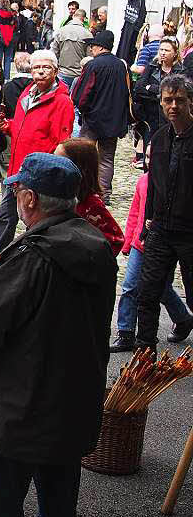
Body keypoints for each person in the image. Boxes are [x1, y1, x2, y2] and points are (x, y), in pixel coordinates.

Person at [0, 153, 117, 517]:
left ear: (31, 199)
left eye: (19, 189)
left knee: (0, 513)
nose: (16, 195)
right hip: (69, 408)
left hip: (19, 411)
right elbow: (50, 308)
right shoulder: (95, 246)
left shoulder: (35, 256)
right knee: (58, 512)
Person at [0, 50, 74, 255]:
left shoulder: (62, 102)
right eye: (37, 67)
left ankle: (33, 256)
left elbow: (62, 143)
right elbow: (22, 126)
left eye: (46, 67)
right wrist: (7, 126)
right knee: (7, 215)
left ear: (55, 71)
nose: (41, 72)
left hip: (37, 173)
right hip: (16, 168)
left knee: (34, 219)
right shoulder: (27, 93)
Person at [111, 145, 193, 352]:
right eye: (146, 156)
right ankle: (126, 332)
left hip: (165, 242)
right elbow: (134, 214)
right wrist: (128, 241)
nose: (149, 161)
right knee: (130, 286)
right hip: (141, 244)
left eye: (152, 156)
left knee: (161, 288)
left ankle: (183, 319)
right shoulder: (143, 181)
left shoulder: (175, 181)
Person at [135, 75, 193, 350]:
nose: (173, 106)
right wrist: (147, 225)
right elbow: (153, 185)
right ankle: (145, 354)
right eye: (168, 100)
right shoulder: (159, 139)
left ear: (189, 102)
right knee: (147, 293)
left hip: (189, 231)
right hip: (160, 229)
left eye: (179, 100)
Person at [72, 29, 130, 204]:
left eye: (92, 46)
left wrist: (83, 109)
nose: (91, 50)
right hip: (113, 121)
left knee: (84, 156)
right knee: (106, 159)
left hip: (93, 119)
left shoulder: (93, 65)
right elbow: (126, 92)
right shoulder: (121, 65)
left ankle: (84, 191)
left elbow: (81, 94)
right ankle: (104, 195)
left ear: (99, 47)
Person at [55, 139, 123, 254]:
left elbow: (116, 239)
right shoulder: (54, 191)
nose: (53, 164)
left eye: (59, 161)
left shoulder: (91, 203)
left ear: (78, 167)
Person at [133, 35, 184, 153]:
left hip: (171, 118)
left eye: (167, 50)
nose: (163, 53)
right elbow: (139, 88)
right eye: (161, 50)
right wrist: (159, 93)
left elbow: (178, 92)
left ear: (175, 53)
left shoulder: (180, 71)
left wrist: (152, 88)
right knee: (150, 150)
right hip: (151, 117)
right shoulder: (152, 67)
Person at [53, 14, 93, 87]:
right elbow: (89, 58)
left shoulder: (60, 31)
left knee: (62, 96)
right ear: (83, 20)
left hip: (63, 72)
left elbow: (54, 53)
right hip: (79, 74)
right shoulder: (87, 34)